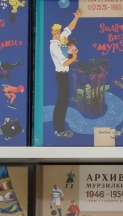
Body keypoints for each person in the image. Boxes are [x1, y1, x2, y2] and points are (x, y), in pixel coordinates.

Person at [49, 10, 82, 138]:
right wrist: (74, 56)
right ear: (52, 32)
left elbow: (69, 28)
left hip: (64, 75)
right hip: (61, 75)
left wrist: (77, 17)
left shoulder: (61, 40)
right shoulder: (54, 47)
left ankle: (59, 128)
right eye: (55, 32)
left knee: (63, 102)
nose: (58, 34)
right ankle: (59, 129)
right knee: (62, 103)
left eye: (59, 32)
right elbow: (65, 63)